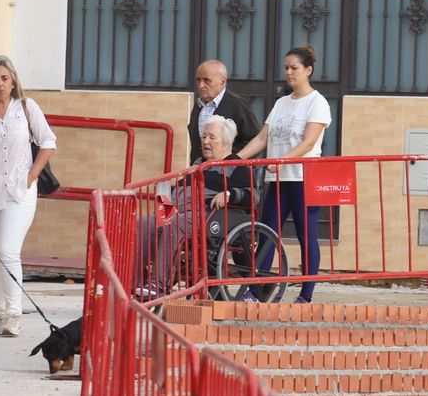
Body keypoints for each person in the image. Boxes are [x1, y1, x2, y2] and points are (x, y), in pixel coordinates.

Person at [0, 55, 57, 337]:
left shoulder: (26, 108)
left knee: (7, 249)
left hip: (20, 190)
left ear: (13, 80)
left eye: (5, 78)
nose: (0, 84)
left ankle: (14, 314)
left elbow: (48, 142)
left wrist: (31, 177)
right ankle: (0, 314)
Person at [234, 45, 333, 304]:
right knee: (267, 233)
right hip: (278, 179)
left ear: (308, 70)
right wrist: (235, 159)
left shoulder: (317, 102)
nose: (289, 72)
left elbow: (309, 142)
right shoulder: (280, 103)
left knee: (306, 234)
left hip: (303, 179)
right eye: (286, 68)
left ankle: (306, 294)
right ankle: (256, 290)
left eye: (294, 68)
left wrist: (281, 160)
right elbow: (263, 137)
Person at [137, 116, 259, 295]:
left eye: (212, 137)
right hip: (179, 210)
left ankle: (157, 283)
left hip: (208, 214)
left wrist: (229, 194)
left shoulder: (236, 165)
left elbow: (253, 195)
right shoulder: (198, 163)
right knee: (145, 223)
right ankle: (136, 281)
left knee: (174, 223)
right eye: (203, 137)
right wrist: (169, 188)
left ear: (226, 142)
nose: (205, 142)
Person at [187, 59, 261, 166]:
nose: (200, 85)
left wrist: (232, 160)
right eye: (198, 80)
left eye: (207, 80)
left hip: (228, 175)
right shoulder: (198, 105)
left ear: (223, 82)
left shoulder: (237, 105)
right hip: (201, 172)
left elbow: (254, 140)